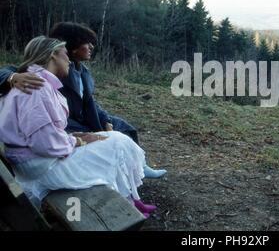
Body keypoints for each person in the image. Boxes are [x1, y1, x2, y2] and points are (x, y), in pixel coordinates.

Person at [0, 36, 159, 217]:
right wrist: (77, 141)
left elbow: (41, 134)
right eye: (65, 54)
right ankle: (127, 205)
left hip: (34, 161)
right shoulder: (36, 86)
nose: (68, 59)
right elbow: (45, 144)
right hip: (42, 167)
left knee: (111, 140)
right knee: (118, 143)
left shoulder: (35, 82)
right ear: (53, 55)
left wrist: (76, 136)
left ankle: (129, 201)